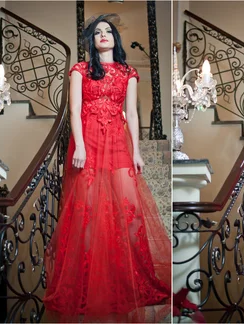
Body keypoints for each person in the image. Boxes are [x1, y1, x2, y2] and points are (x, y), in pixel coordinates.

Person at [42, 14, 171, 323]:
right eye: (97, 32)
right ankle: (87, 284)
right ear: (91, 41)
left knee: (129, 213)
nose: (103, 35)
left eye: (108, 31)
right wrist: (82, 146)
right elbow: (73, 109)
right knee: (87, 216)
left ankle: (125, 280)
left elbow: (132, 114)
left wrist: (137, 151)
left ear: (115, 38)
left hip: (117, 142)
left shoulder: (128, 72)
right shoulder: (80, 70)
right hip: (88, 144)